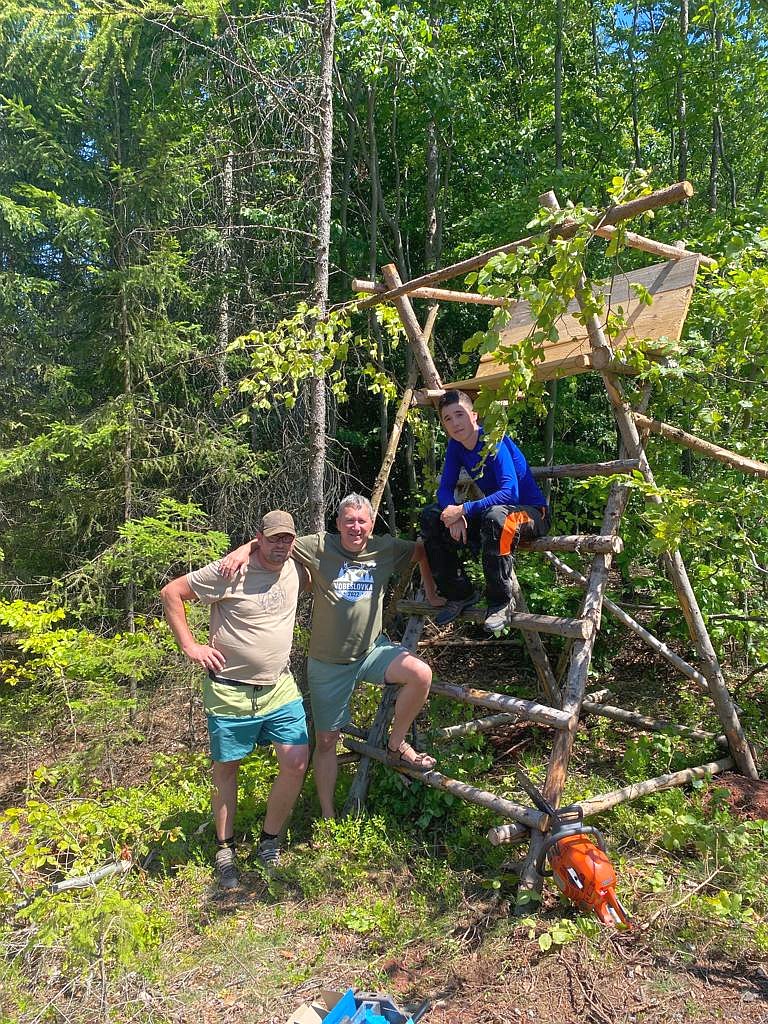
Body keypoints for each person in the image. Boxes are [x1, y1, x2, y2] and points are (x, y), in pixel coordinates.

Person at [219, 494, 446, 819]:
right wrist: (242, 551)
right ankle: (328, 816)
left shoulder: (385, 548)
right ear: (338, 523)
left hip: (372, 651)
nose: (356, 527)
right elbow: (274, 543)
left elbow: (422, 552)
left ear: (371, 524)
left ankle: (396, 744)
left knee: (421, 674)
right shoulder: (320, 545)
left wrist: (433, 592)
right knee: (326, 741)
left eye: (362, 521)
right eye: (349, 520)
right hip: (328, 663)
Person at [160, 510, 310, 890]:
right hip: (230, 690)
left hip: (279, 687)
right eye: (273, 538)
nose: (281, 545)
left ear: (294, 540)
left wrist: (248, 546)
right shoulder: (230, 571)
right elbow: (172, 592)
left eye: (287, 538)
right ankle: (225, 850)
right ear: (259, 537)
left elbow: (341, 548)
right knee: (226, 769)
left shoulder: (296, 566)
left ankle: (269, 842)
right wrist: (190, 645)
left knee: (296, 762)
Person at [420, 389, 550, 633]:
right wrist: (453, 515)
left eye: (459, 414)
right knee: (431, 516)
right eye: (448, 418)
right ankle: (459, 593)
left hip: (532, 514)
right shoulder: (455, 446)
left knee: (497, 517)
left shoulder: (493, 439)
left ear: (474, 415)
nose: (455, 422)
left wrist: (463, 509)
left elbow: (510, 493)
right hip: (496, 513)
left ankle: (501, 602)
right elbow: (445, 488)